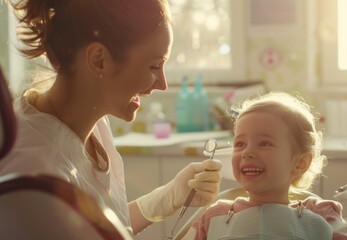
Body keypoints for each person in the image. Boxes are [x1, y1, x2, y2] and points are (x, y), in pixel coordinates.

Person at [0, 0, 222, 236]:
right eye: (154, 66)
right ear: (98, 59)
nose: (163, 84)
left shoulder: (93, 126)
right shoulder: (35, 176)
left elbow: (93, 227)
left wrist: (165, 199)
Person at [182, 91, 347, 239]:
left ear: (300, 163)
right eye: (240, 144)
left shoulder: (323, 215)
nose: (247, 152)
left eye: (264, 143)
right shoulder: (214, 216)